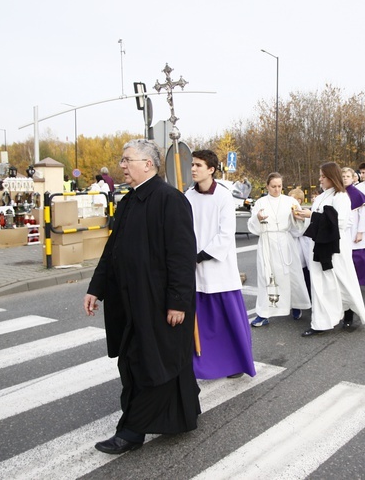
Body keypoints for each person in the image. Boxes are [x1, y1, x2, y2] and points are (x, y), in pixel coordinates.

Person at [83, 139, 200, 455]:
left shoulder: (170, 201)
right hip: (130, 300)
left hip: (159, 302)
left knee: (149, 363)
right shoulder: (127, 202)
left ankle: (131, 431)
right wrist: (96, 287)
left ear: (148, 164)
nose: (122, 165)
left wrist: (178, 301)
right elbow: (112, 251)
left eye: (127, 160)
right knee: (142, 360)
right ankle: (184, 414)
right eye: (122, 160)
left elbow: (181, 256)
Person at [185, 149, 256, 380]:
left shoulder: (224, 197)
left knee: (228, 320)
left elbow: (226, 234)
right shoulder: (188, 196)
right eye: (192, 165)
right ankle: (203, 363)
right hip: (193, 269)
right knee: (202, 322)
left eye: (198, 165)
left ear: (211, 169)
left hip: (219, 268)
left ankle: (235, 362)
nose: (193, 168)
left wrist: (201, 255)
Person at [294, 162, 365, 336]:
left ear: (331, 177)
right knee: (321, 283)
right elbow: (318, 217)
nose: (320, 179)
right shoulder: (322, 196)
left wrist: (312, 215)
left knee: (341, 280)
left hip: (334, 245)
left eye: (323, 176)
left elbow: (340, 222)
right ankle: (320, 322)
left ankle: (349, 310)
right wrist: (303, 216)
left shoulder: (341, 196)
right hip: (319, 244)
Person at [247, 173, 311, 327]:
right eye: (273, 186)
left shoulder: (290, 201)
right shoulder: (261, 202)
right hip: (267, 243)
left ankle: (296, 304)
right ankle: (264, 313)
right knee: (266, 277)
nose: (276, 189)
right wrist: (258, 219)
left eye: (279, 186)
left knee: (291, 274)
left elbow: (298, 226)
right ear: (267, 186)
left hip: (285, 241)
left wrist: (298, 218)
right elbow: (253, 224)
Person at [341, 166, 365, 286]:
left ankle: (359, 281)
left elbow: (363, 215)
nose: (345, 179)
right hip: (343, 230)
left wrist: (360, 232)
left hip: (354, 230)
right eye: (343, 177)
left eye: (348, 176)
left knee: (358, 257)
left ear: (353, 178)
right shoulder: (339, 193)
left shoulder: (357, 194)